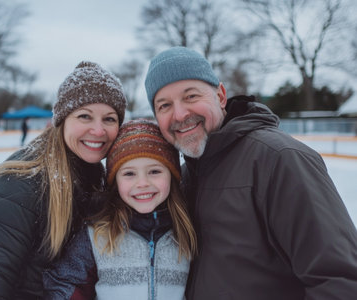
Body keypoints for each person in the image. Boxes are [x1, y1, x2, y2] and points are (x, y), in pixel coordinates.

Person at [144, 46, 357, 299]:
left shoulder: (279, 160)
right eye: (164, 105)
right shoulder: (182, 179)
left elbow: (340, 280)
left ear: (220, 96)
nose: (180, 114)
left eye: (191, 96)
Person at [0, 61, 127, 299]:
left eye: (109, 119)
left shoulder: (96, 179)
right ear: (62, 120)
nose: (98, 130)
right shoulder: (18, 186)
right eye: (85, 116)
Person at [43, 119, 197, 300]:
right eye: (129, 174)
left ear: (172, 175)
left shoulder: (186, 233)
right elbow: (66, 284)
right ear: (115, 181)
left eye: (154, 171)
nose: (142, 183)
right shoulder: (96, 235)